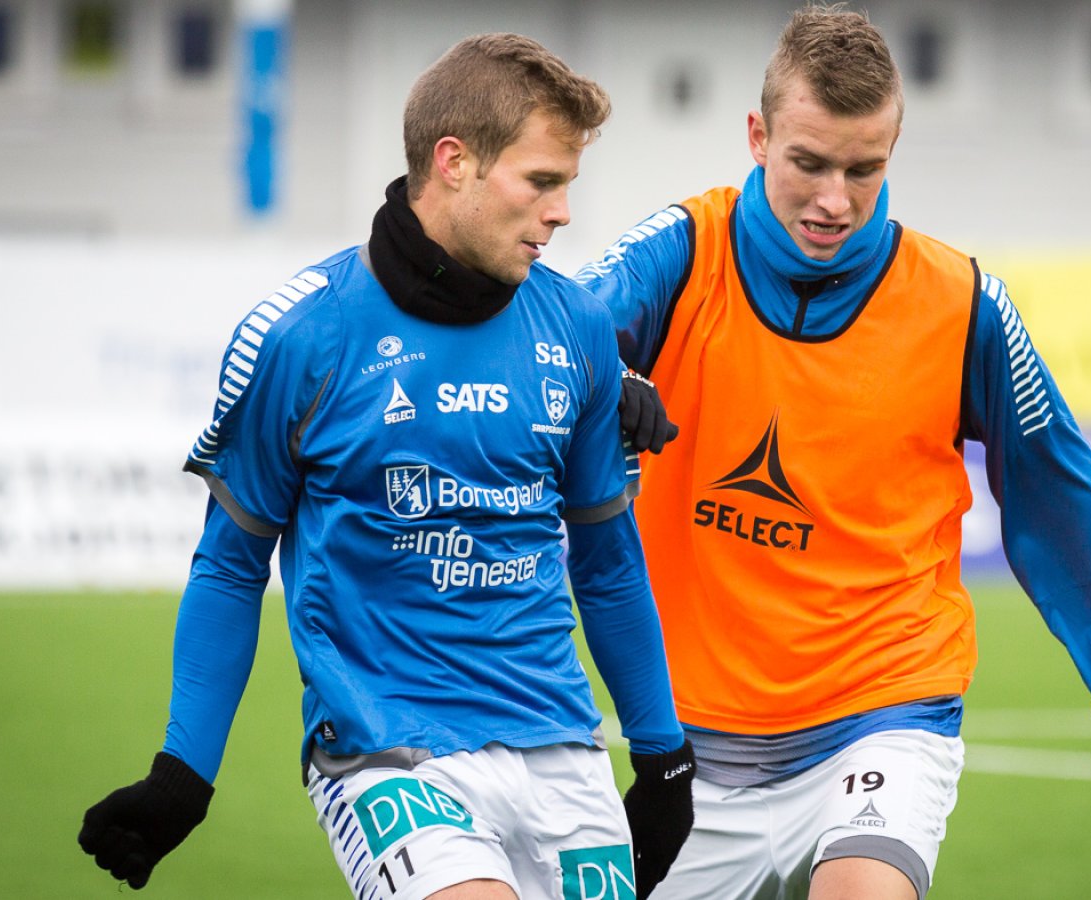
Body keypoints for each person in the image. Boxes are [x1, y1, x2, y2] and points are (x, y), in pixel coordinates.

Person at [574, 6, 1091, 899]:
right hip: (692, 747)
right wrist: (608, 379)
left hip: (882, 710)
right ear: (757, 137)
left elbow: (1052, 482)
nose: (835, 200)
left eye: (864, 170)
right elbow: (555, 346)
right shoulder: (682, 249)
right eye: (809, 163)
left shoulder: (963, 303)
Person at [78, 33, 695, 900]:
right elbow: (228, 564)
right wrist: (183, 773)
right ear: (455, 163)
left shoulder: (580, 330)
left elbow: (607, 561)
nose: (561, 214)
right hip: (388, 748)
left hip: (561, 745)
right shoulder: (304, 336)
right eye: (543, 182)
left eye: (568, 187)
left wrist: (663, 755)